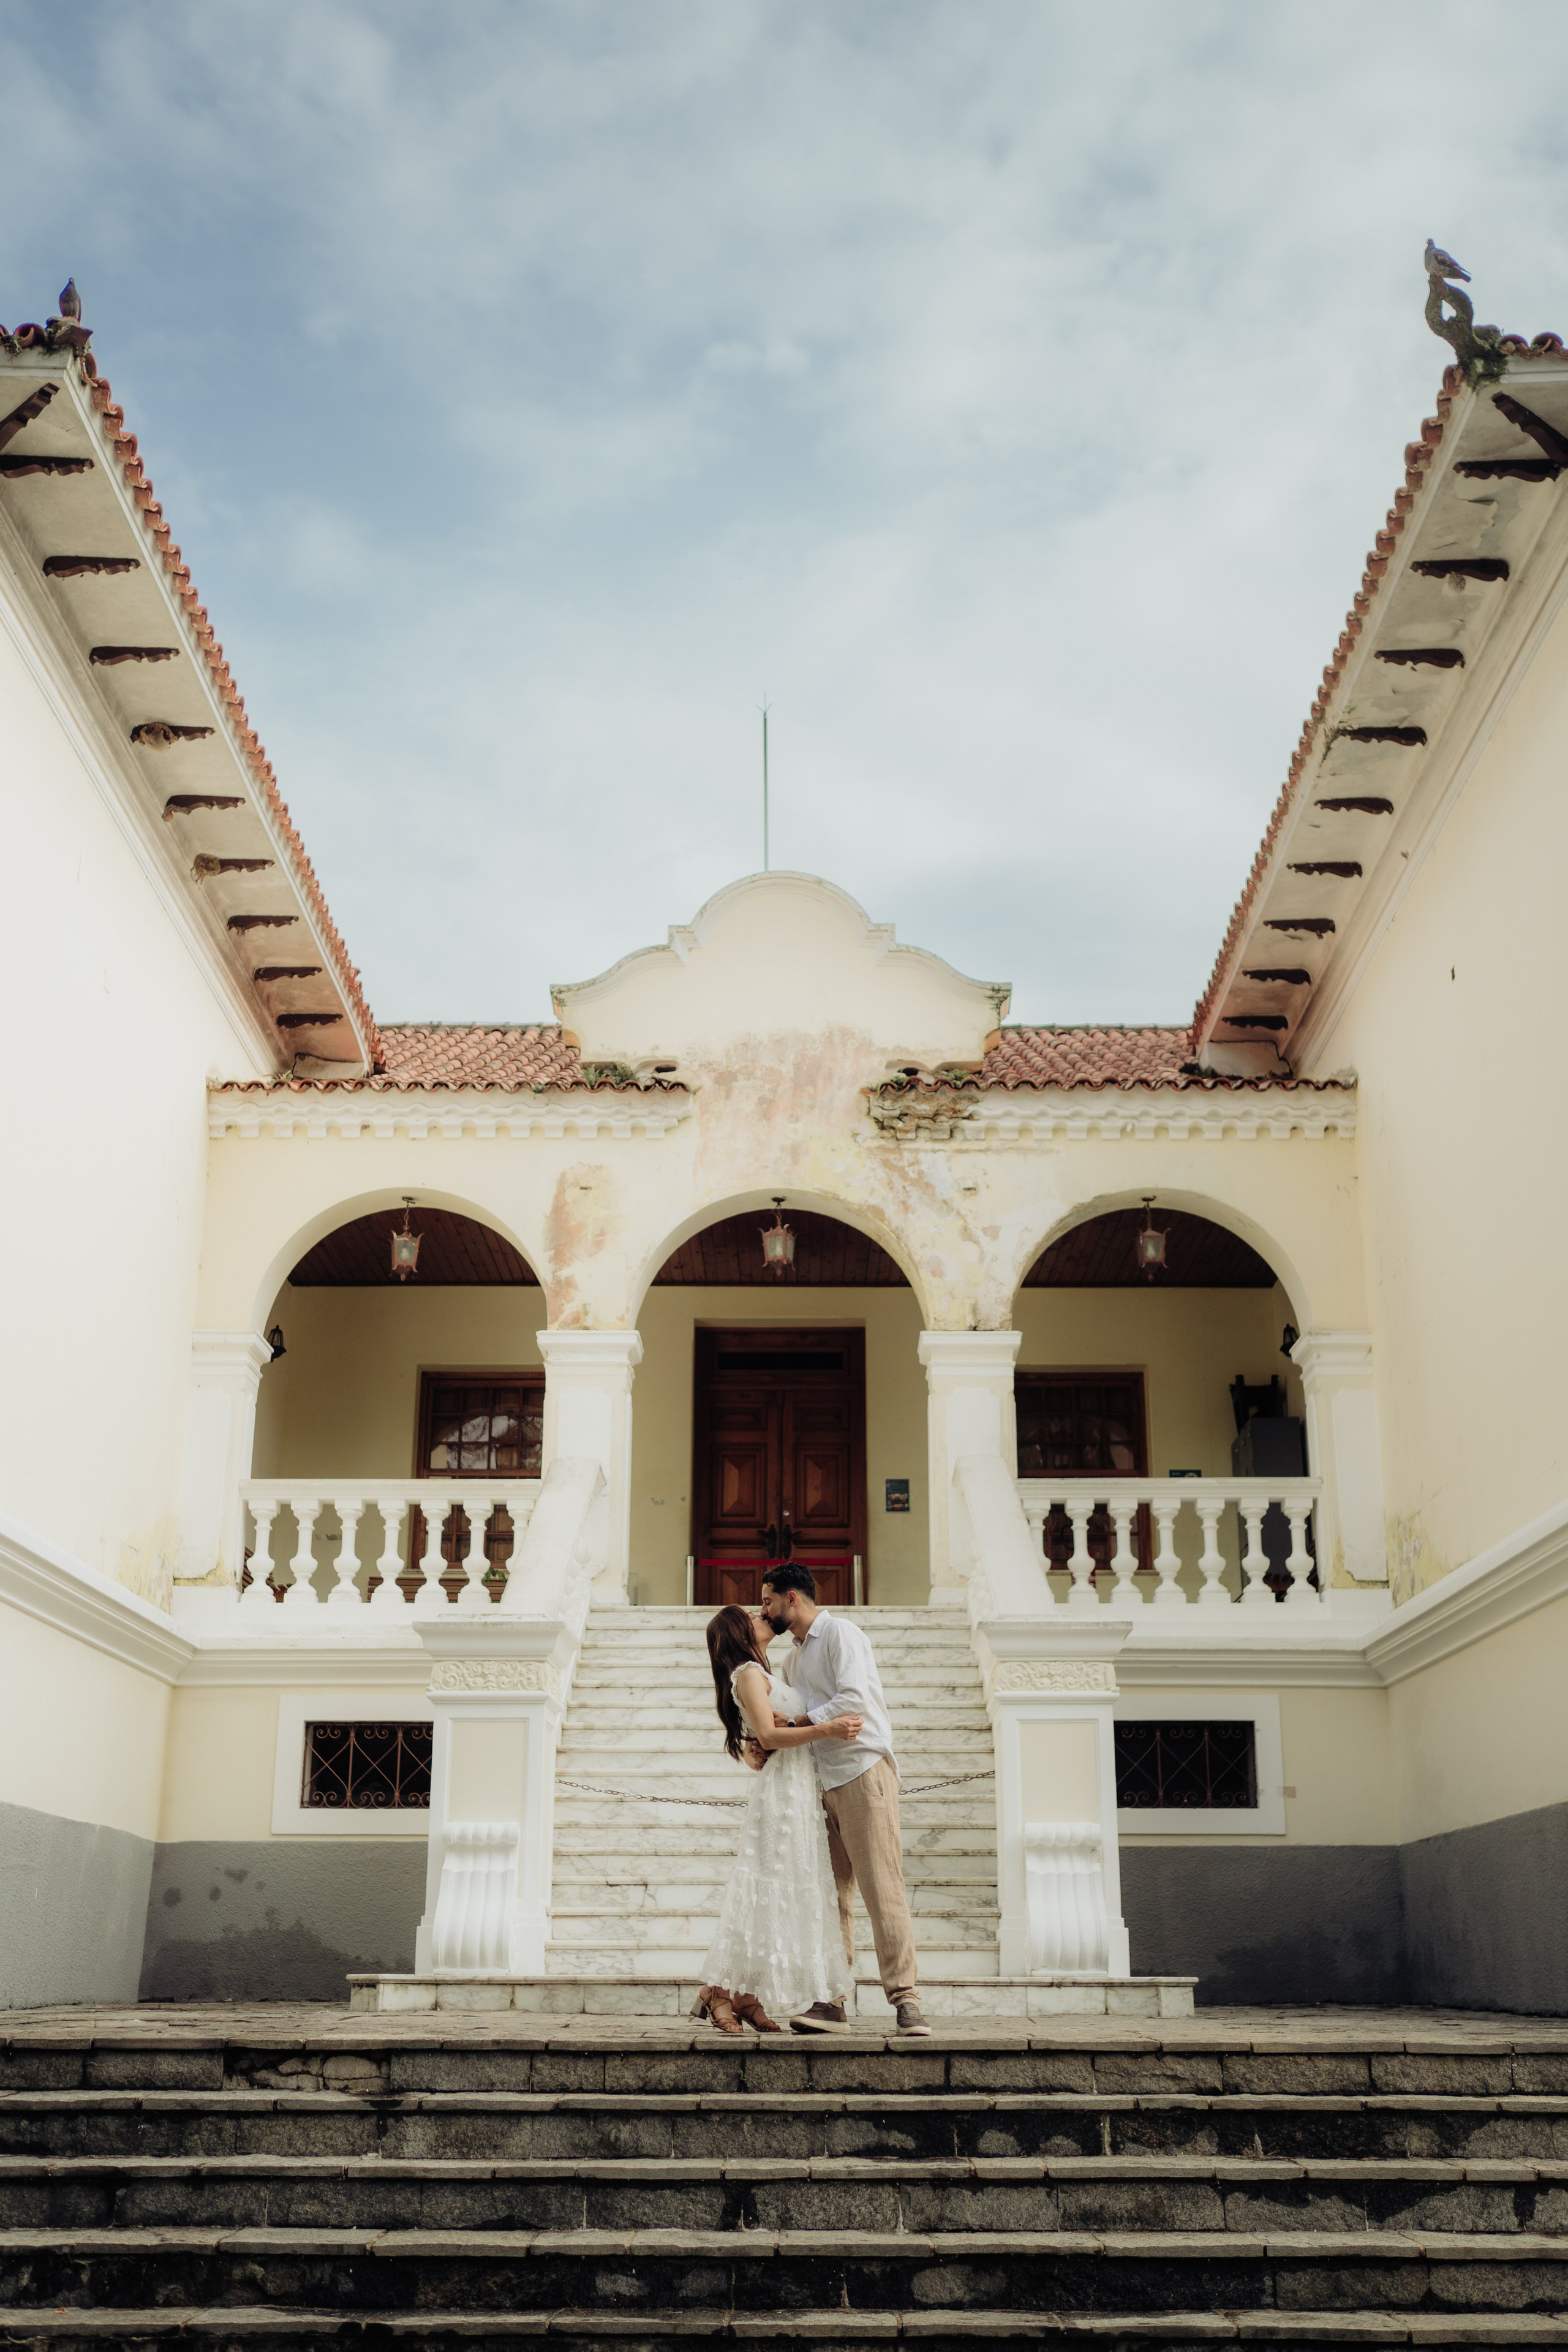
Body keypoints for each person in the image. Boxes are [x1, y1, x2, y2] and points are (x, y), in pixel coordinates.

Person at [758, 1566, 931, 2038]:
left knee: (882, 1889)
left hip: (862, 1771)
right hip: (820, 1780)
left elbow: (853, 1699)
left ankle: (906, 2000)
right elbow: (798, 1719)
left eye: (768, 1601)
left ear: (791, 1598)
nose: (764, 1610)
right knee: (831, 1898)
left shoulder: (841, 1634)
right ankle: (832, 2001)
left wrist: (795, 1726)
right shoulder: (793, 1660)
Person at [693, 1603, 861, 2035]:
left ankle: (748, 1995)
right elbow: (769, 1735)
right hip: (781, 1796)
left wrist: (761, 1741)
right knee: (762, 1890)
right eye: (750, 1614)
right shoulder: (748, 1673)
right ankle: (720, 1992)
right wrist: (828, 1729)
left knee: (779, 1893)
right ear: (737, 1631)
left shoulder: (766, 1672)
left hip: (798, 1791)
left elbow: (763, 1734)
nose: (760, 1612)